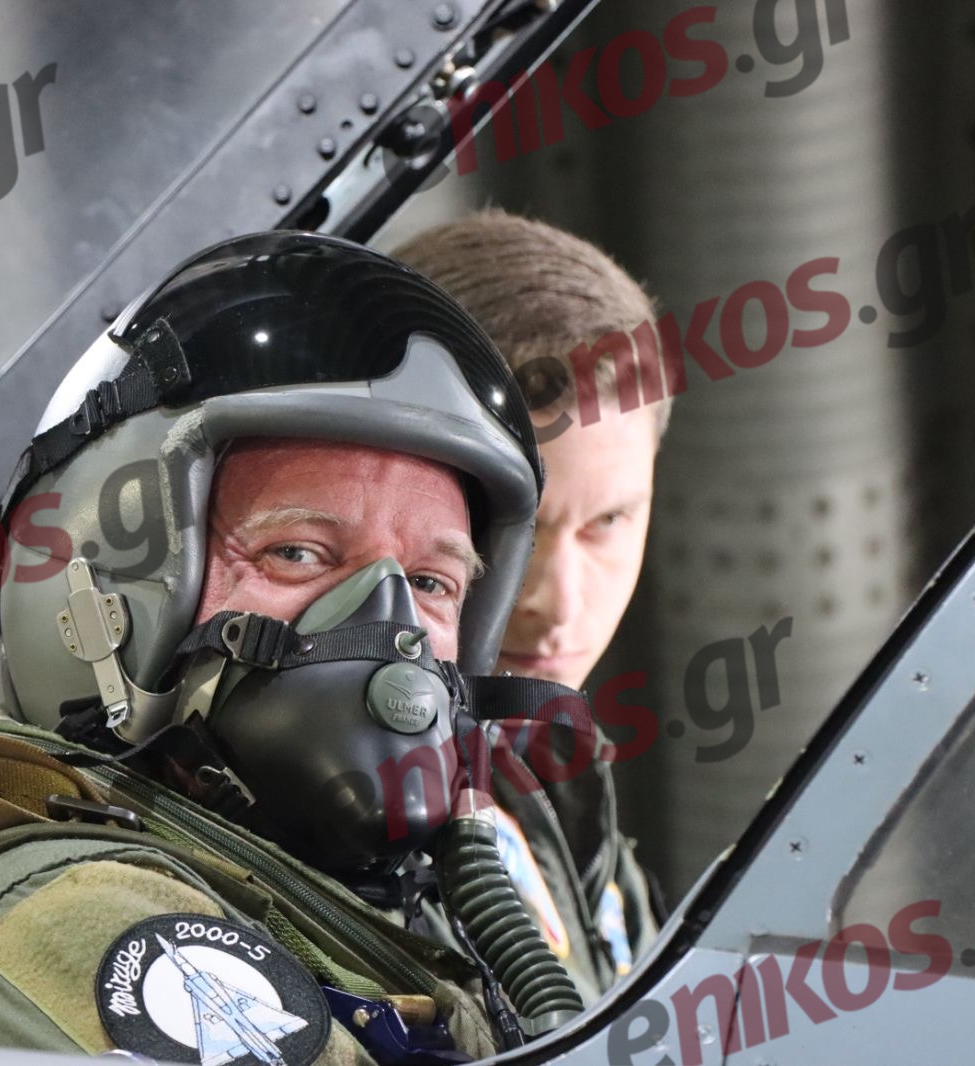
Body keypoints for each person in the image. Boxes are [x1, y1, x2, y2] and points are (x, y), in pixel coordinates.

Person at [0, 232, 629, 1062]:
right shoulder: (85, 934)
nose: (389, 634)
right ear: (98, 593)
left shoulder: (413, 901)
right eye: (297, 553)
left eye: (430, 583)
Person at [392, 209, 667, 991]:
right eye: (513, 531)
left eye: (608, 522)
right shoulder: (343, 841)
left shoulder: (553, 776)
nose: (558, 601)